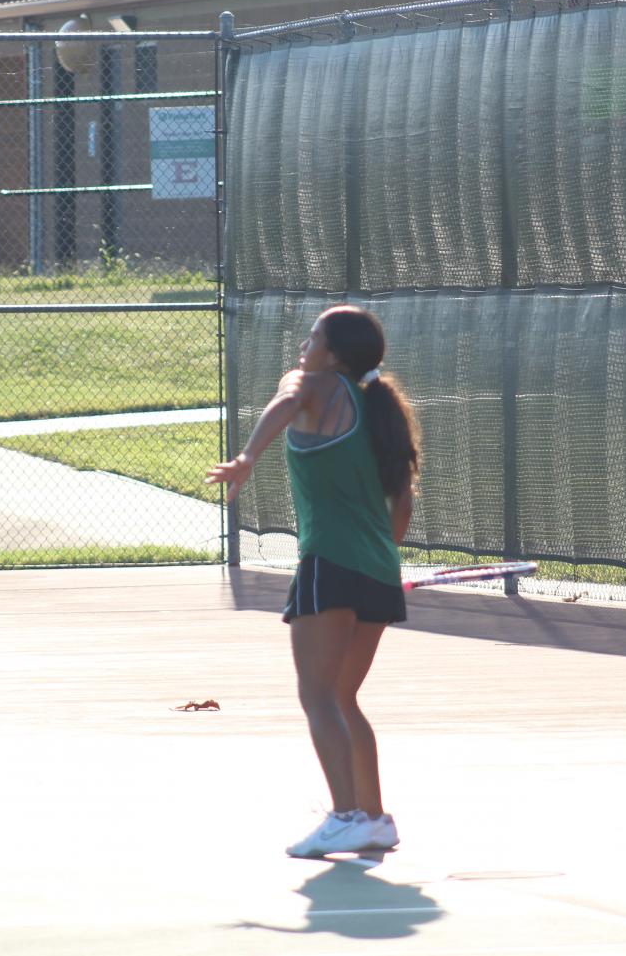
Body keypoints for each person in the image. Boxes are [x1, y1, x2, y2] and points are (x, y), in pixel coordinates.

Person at [207, 305, 422, 857]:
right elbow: (402, 505)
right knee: (345, 697)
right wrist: (377, 556)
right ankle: (375, 819)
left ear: (333, 354)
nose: (304, 344)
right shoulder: (378, 410)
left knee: (318, 695)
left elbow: (285, 401)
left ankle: (347, 814)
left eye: (313, 336)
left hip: (329, 562)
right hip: (378, 572)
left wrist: (247, 456)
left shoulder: (315, 385)